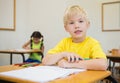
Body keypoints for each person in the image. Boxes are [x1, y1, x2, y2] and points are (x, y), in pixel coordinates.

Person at [42, 5, 108, 70]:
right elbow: (45, 61)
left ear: (87, 25)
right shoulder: (64, 42)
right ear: (66, 28)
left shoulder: (93, 43)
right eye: (71, 23)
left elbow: (103, 64)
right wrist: (63, 54)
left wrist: (71, 64)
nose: (76, 26)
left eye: (81, 21)